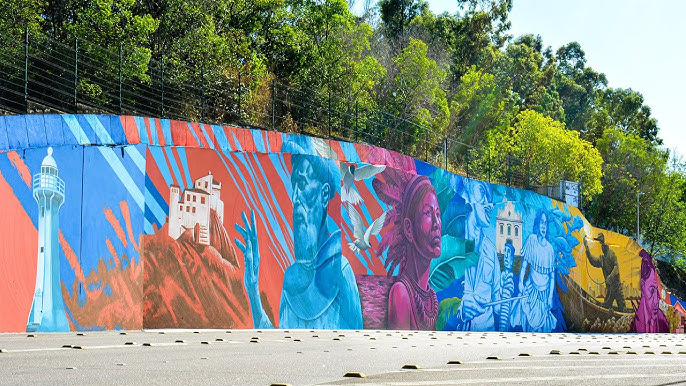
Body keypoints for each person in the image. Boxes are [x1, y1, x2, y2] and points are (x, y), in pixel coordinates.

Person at [235, 137, 363, 329]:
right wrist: (253, 290)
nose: (295, 197)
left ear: (324, 194)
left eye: (302, 184)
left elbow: (356, 342)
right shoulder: (291, 277)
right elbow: (279, 342)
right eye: (293, 184)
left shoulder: (340, 272)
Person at [374, 172, 441, 330]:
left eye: (438, 214)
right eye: (427, 213)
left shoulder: (431, 298)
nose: (437, 223)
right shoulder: (401, 293)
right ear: (409, 229)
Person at [456, 180, 514, 331]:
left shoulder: (490, 249)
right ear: (466, 193)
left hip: (485, 332)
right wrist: (460, 309)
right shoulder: (452, 239)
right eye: (482, 192)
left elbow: (498, 305)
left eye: (491, 199)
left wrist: (506, 294)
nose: (490, 205)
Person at [510, 209, 556, 332]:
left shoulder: (550, 249)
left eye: (545, 223)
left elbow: (552, 277)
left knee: (541, 326)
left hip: (544, 293)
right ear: (537, 225)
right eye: (541, 222)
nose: (543, 226)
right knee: (528, 321)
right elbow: (524, 265)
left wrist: (550, 297)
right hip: (530, 289)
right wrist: (520, 283)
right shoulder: (531, 240)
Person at [583, 232, 625, 311]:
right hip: (609, 289)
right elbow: (593, 261)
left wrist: (610, 276)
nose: (601, 246)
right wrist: (587, 249)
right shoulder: (602, 259)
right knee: (605, 307)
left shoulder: (612, 254)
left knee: (622, 308)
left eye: (602, 244)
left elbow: (616, 267)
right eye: (601, 245)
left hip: (617, 288)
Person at [631, 250, 669, 333]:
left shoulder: (663, 323)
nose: (656, 298)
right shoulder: (635, 324)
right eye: (652, 290)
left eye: (657, 291)